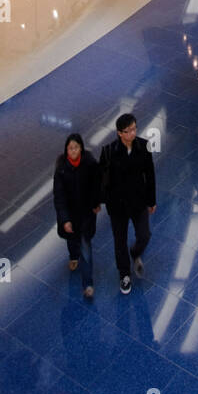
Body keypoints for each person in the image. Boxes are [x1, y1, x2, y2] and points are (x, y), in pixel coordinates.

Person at [100, 112, 157, 295]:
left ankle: (135, 252)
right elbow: (102, 181)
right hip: (118, 206)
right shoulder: (108, 152)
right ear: (119, 133)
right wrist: (106, 202)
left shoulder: (144, 146)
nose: (133, 133)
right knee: (119, 241)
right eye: (128, 130)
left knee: (145, 235)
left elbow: (150, 175)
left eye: (134, 128)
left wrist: (151, 200)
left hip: (139, 202)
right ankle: (124, 274)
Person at [53, 132, 101, 300]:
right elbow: (59, 196)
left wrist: (96, 203)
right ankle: (73, 256)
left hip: (86, 213)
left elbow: (97, 184)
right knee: (72, 239)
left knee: (85, 246)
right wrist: (65, 219)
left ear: (81, 148)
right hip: (70, 213)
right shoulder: (61, 168)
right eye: (70, 148)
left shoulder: (90, 163)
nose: (73, 151)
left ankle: (88, 284)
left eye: (76, 147)